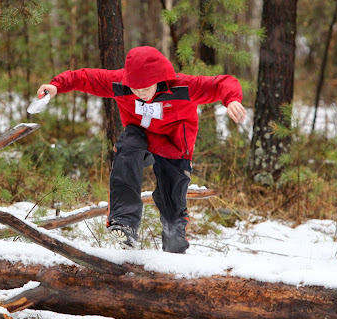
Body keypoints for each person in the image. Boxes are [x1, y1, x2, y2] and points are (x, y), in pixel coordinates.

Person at [37, 46, 246, 253]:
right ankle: (124, 224)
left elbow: (223, 82)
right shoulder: (120, 84)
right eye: (135, 88)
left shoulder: (183, 87)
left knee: (171, 205)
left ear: (160, 78)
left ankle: (175, 250)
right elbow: (85, 77)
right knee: (127, 149)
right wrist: (57, 86)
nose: (141, 93)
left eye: (146, 88)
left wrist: (232, 99)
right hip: (140, 136)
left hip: (174, 145)